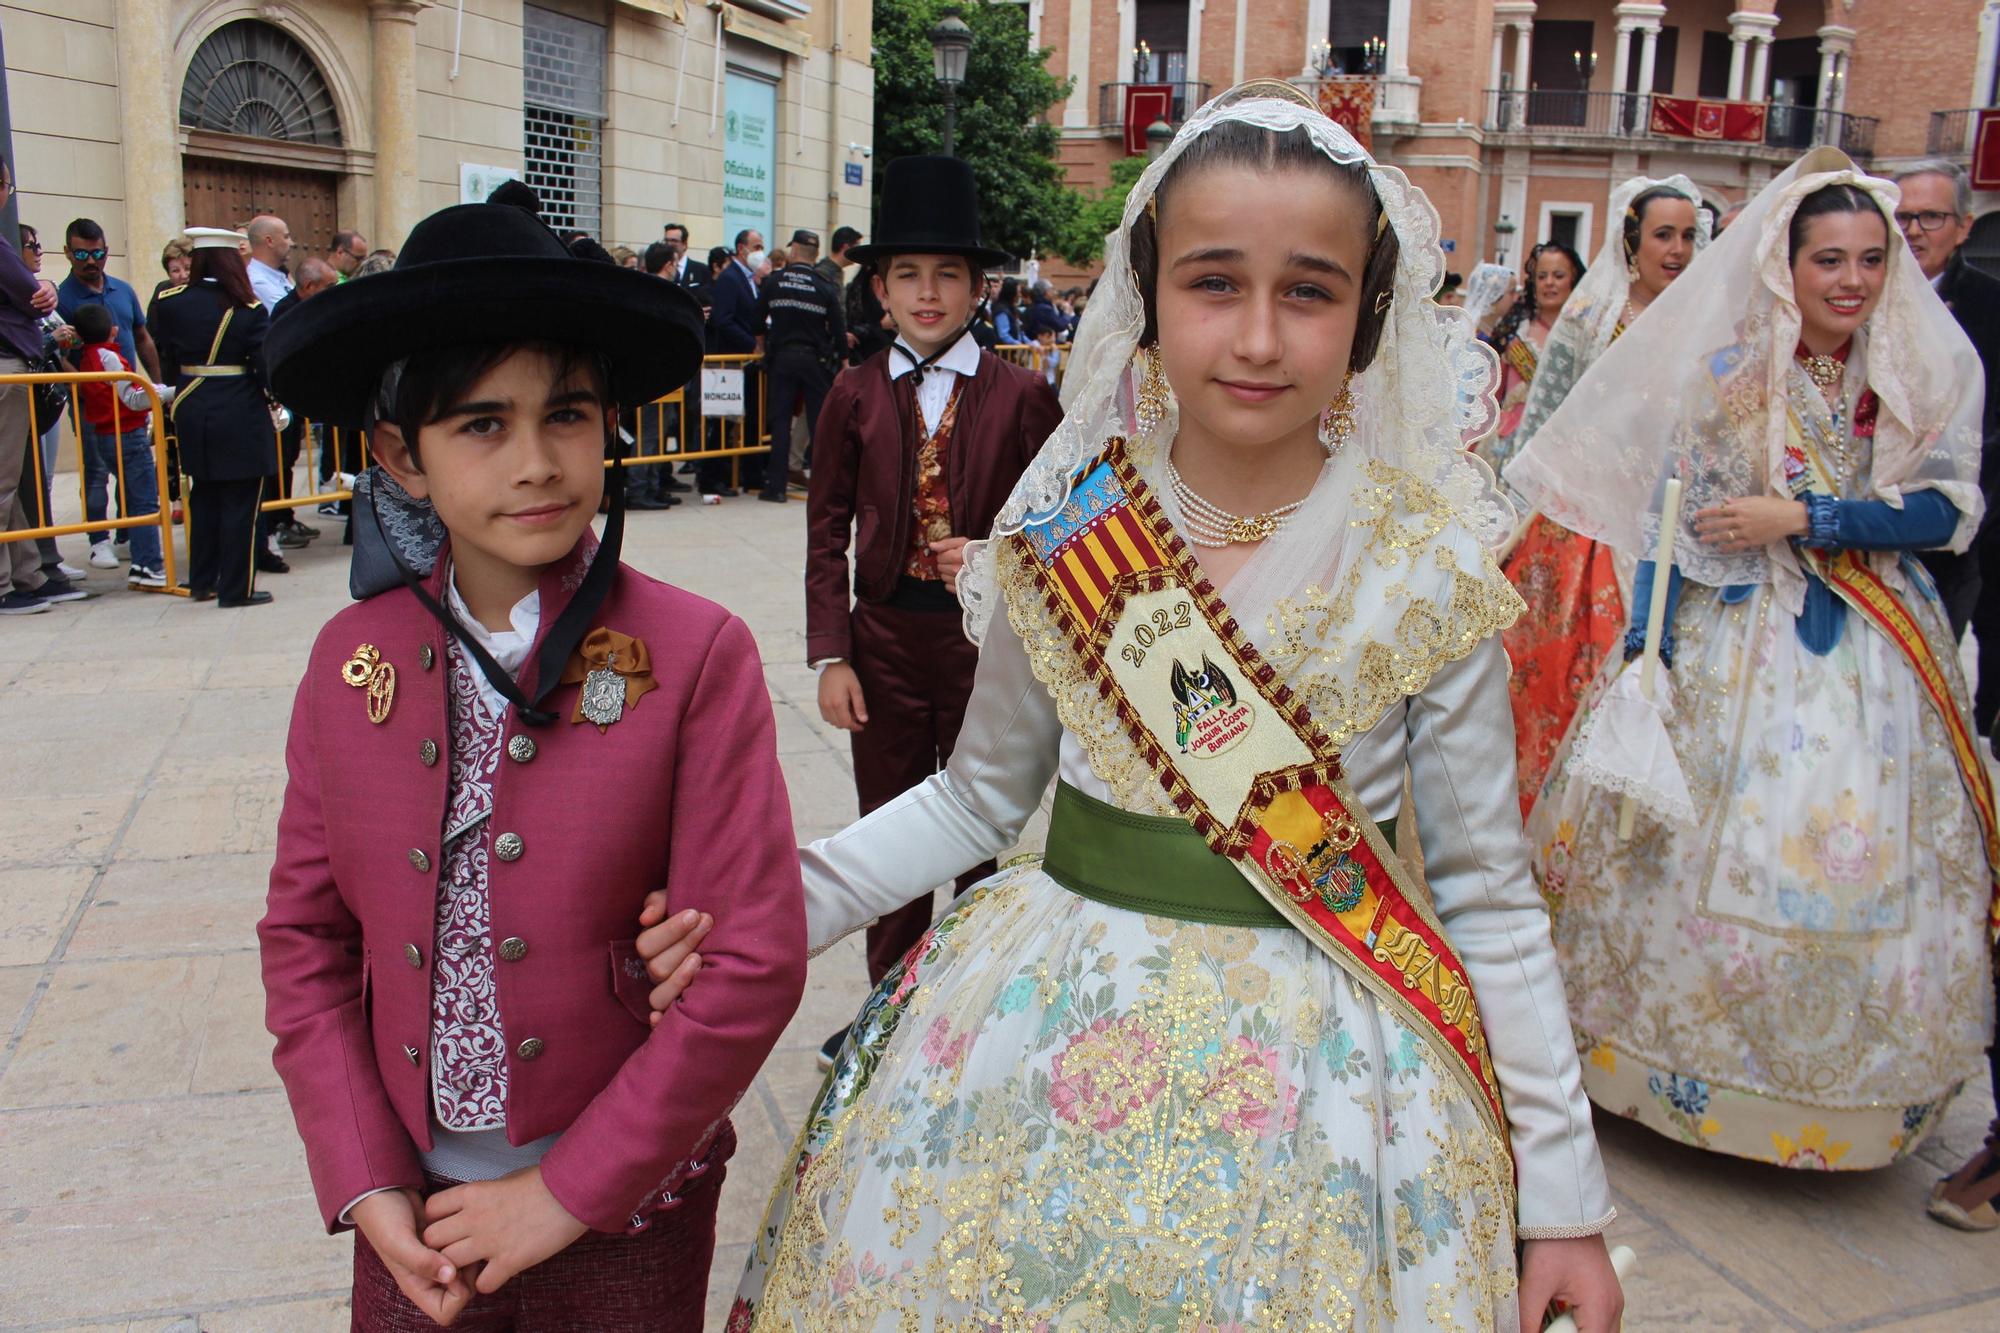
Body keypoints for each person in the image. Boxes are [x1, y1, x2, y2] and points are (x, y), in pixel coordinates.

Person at [642, 82, 1624, 1332]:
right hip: (1041, 1042)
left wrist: (1564, 1201)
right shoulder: (1066, 542)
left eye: (1307, 290)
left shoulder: (1426, 571)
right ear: (1147, 299)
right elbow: (973, 798)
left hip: (1328, 1089)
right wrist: (779, 902)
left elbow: (1485, 892)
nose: (1258, 338)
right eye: (1214, 283)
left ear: (1368, 322)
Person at [258, 199, 805, 1330]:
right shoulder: (349, 661)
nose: (536, 462)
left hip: (623, 1205)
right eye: (481, 424)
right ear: (400, 454)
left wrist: (566, 1189)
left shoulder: (695, 653)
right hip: (416, 1211)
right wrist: (365, 1175)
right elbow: (307, 942)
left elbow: (747, 962)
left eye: (565, 414)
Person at [1512, 150, 1995, 1183]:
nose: (1851, 281)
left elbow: (1946, 514)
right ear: (1786, 264)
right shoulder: (1730, 369)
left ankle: (1843, 1091)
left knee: (1855, 847)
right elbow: (1667, 507)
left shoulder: (1913, 369)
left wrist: (1809, 516)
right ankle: (1651, 1064)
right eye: (1828, 259)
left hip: (1868, 642)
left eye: (1869, 260)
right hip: (1728, 622)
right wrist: (1644, 643)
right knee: (1673, 844)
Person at [801, 154, 1065, 1070]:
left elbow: (1063, 517)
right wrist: (832, 651)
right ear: (878, 288)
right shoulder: (854, 393)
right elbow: (824, 523)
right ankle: (885, 1008)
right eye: (908, 274)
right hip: (881, 640)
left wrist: (995, 557)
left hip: (983, 647)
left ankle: (968, 1002)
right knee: (891, 821)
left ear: (978, 287)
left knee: (983, 826)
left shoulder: (1025, 395)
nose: (927, 291)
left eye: (947, 274)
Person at [1496, 177, 1706, 817]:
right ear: (1631, 239)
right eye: (1663, 235)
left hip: (1673, 520)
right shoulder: (1592, 319)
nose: (1676, 250)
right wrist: (1513, 502)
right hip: (1584, 523)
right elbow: (1546, 417)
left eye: (1689, 236)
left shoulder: (1703, 316)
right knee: (1562, 674)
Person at [1887, 159, 2000, 1230]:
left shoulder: (1973, 328)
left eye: (1923, 220)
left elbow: (1954, 496)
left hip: (1923, 599)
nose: (1909, 235)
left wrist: (1822, 521)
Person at [148, 228, 277, 607]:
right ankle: (237, 589)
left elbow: (164, 352)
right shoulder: (248, 308)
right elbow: (263, 366)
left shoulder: (170, 301)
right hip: (238, 409)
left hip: (191, 405)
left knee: (203, 497)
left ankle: (202, 581)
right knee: (241, 503)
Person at [0, 157, 91, 615]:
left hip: (11, 368)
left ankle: (26, 574)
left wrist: (44, 288)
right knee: (3, 481)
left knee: (10, 481)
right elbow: (30, 295)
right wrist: (44, 288)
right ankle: (5, 583)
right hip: (5, 370)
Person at [57, 217, 163, 571]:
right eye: (82, 254)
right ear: (69, 254)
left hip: (130, 399)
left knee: (132, 470)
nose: (91, 261)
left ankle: (127, 533)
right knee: (97, 470)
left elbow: (143, 336)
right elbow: (61, 356)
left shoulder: (123, 290)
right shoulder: (62, 298)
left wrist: (155, 381)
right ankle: (98, 538)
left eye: (98, 252)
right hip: (93, 405)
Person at [66, 302, 168, 588]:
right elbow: (133, 398)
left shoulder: (88, 357)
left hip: (106, 435)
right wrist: (165, 392)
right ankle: (150, 564)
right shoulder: (109, 358)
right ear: (114, 331)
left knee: (137, 499)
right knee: (145, 501)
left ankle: (140, 563)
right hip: (127, 433)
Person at [1477, 241, 1586, 483]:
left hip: (1563, 445)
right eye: (1542, 276)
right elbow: (1492, 394)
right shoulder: (1514, 331)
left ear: (1573, 280)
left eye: (1558, 276)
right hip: (1511, 444)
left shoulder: (1584, 336)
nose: (1549, 283)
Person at [755, 230, 845, 503]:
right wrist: (843, 361)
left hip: (782, 358)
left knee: (780, 422)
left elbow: (757, 321)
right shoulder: (823, 284)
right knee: (820, 424)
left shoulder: (774, 281)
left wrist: (760, 347)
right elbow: (839, 329)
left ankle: (776, 487)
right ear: (815, 254)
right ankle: (823, 487)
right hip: (814, 361)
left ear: (793, 250)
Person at [703, 228, 766, 500]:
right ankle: (711, 477)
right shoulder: (730, 278)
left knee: (744, 418)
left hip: (747, 363)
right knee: (722, 422)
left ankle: (741, 474)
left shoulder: (751, 280)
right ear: (741, 249)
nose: (759, 251)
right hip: (730, 360)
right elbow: (723, 318)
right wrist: (750, 343)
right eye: (756, 246)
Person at [245, 215, 295, 309]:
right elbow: (291, 316)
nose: (291, 243)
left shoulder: (279, 275)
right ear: (269, 241)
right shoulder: (258, 282)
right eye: (286, 237)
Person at [990, 275, 1023, 344]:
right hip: (1005, 351)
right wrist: (1018, 345)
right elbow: (1003, 335)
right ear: (1012, 292)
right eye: (1018, 292)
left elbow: (1019, 331)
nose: (1020, 295)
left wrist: (1030, 343)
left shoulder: (1011, 309)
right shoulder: (1001, 310)